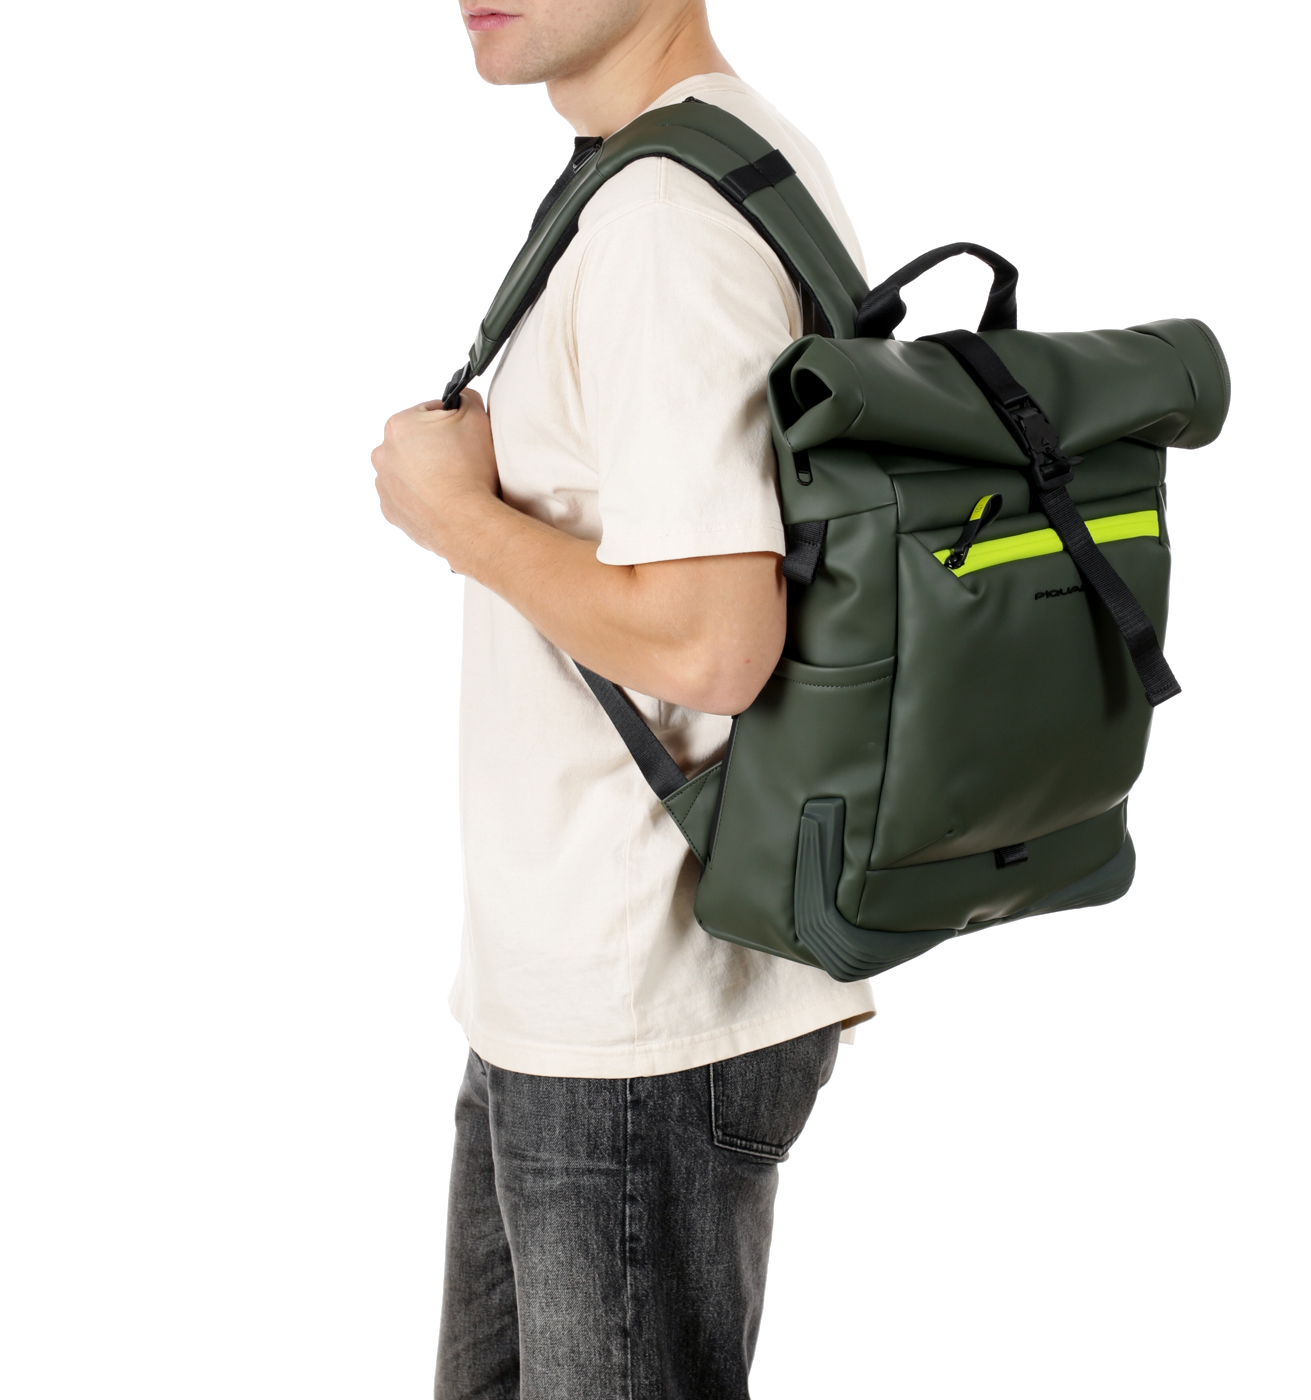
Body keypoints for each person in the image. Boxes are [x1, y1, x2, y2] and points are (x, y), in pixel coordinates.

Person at [371, 1, 876, 1393]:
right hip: (581, 995)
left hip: (638, 1012)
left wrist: (451, 514)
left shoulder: (665, 218)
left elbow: (714, 643)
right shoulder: (683, 161)